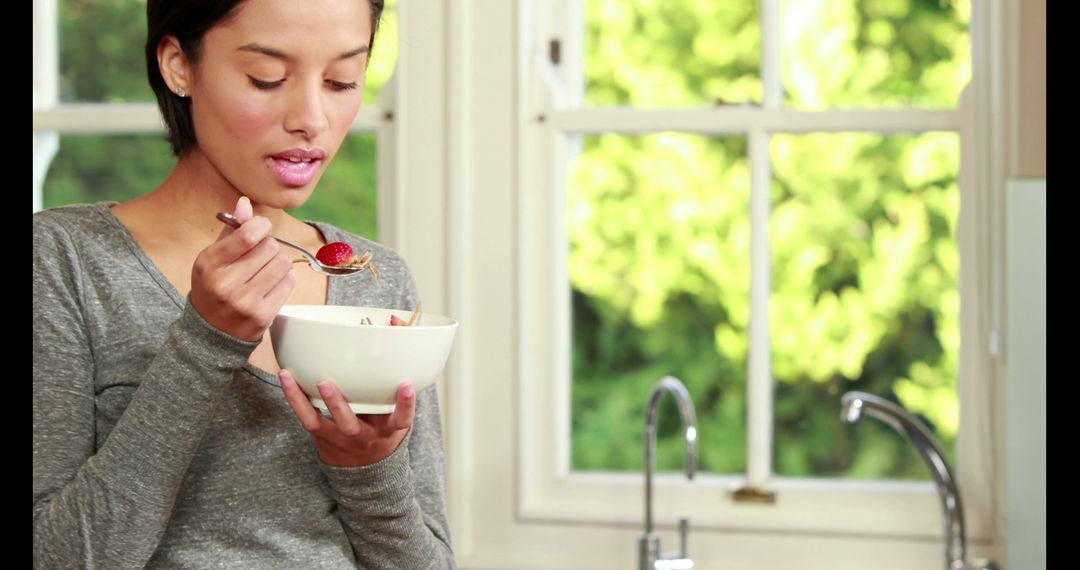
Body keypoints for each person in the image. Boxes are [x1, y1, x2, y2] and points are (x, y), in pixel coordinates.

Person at [32, 0, 454, 567]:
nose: (312, 117)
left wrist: (368, 473)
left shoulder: (374, 281)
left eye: (341, 80)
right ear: (179, 65)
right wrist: (203, 343)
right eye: (268, 78)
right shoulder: (64, 261)